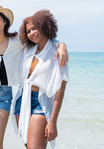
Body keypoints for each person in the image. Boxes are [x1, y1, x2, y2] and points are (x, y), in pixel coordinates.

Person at [0, 4, 68, 149]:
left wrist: (62, 45)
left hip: (15, 96)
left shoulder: (18, 41)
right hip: (4, 96)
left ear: (4, 21)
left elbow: (45, 42)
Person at [11, 9, 69, 149]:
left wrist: (53, 122)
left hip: (40, 103)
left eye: (34, 28)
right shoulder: (27, 50)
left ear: (44, 26)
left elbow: (60, 90)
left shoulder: (57, 52)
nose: (32, 33)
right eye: (28, 31)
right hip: (21, 100)